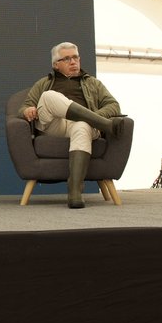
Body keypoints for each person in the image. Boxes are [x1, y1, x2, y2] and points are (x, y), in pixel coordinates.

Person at [19, 42, 126, 209]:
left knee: (82, 125)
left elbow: (113, 105)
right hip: (55, 127)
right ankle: (105, 125)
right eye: (67, 58)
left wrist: (93, 117)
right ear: (56, 64)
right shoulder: (44, 83)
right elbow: (24, 107)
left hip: (84, 127)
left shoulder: (93, 84)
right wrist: (28, 110)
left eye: (75, 57)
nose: (73, 61)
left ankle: (75, 190)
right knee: (48, 96)